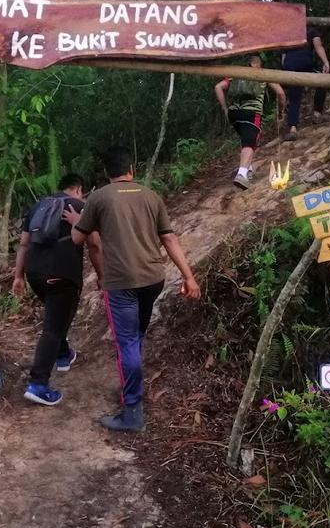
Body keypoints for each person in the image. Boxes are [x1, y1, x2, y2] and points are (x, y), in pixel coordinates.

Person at [69, 147, 201, 432]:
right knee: (137, 335)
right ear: (132, 170)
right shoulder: (151, 196)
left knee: (127, 342)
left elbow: (78, 239)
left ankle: (132, 412)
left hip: (121, 283)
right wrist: (189, 277)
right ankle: (135, 386)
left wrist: (75, 223)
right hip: (154, 279)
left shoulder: (98, 198)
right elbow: (169, 239)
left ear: (108, 174)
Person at [12, 173, 102, 407]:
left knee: (56, 314)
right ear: (78, 189)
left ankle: (63, 354)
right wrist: (102, 276)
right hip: (62, 273)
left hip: (35, 273)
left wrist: (18, 276)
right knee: (53, 326)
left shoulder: (38, 206)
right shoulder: (80, 206)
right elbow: (93, 243)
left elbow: (23, 244)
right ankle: (38, 384)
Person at [214, 55, 286, 190]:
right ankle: (241, 174)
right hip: (251, 113)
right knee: (249, 141)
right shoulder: (263, 74)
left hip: (234, 114)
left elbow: (218, 87)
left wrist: (225, 109)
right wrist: (281, 111)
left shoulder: (236, 74)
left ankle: (248, 168)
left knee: (247, 138)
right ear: (259, 64)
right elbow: (281, 93)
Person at [281, 26, 330, 139]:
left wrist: (285, 71)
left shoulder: (288, 33)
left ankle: (293, 128)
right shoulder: (311, 30)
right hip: (305, 63)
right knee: (323, 80)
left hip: (290, 66)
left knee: (294, 98)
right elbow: (318, 46)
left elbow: (283, 58)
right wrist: (326, 62)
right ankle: (317, 113)